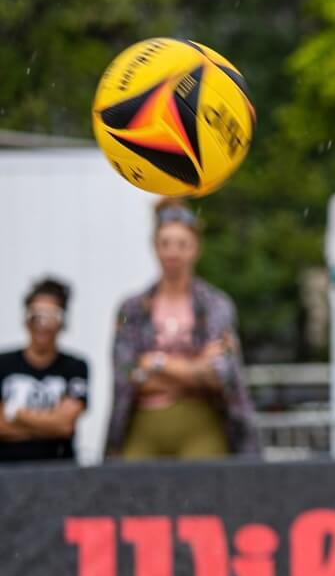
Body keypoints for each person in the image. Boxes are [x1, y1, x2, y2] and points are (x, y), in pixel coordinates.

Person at [106, 199, 259, 460]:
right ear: (155, 247)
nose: (173, 253)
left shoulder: (215, 305)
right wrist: (195, 368)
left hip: (201, 422)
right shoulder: (132, 308)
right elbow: (127, 374)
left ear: (196, 248)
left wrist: (156, 362)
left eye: (182, 244)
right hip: (145, 422)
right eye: (165, 244)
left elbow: (220, 374)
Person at [0, 277, 89, 464]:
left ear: (62, 322)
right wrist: (48, 426)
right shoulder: (3, 364)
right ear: (26, 319)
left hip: (59, 472)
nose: (43, 325)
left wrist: (14, 412)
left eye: (51, 317)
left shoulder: (75, 366)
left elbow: (65, 425)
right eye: (36, 316)